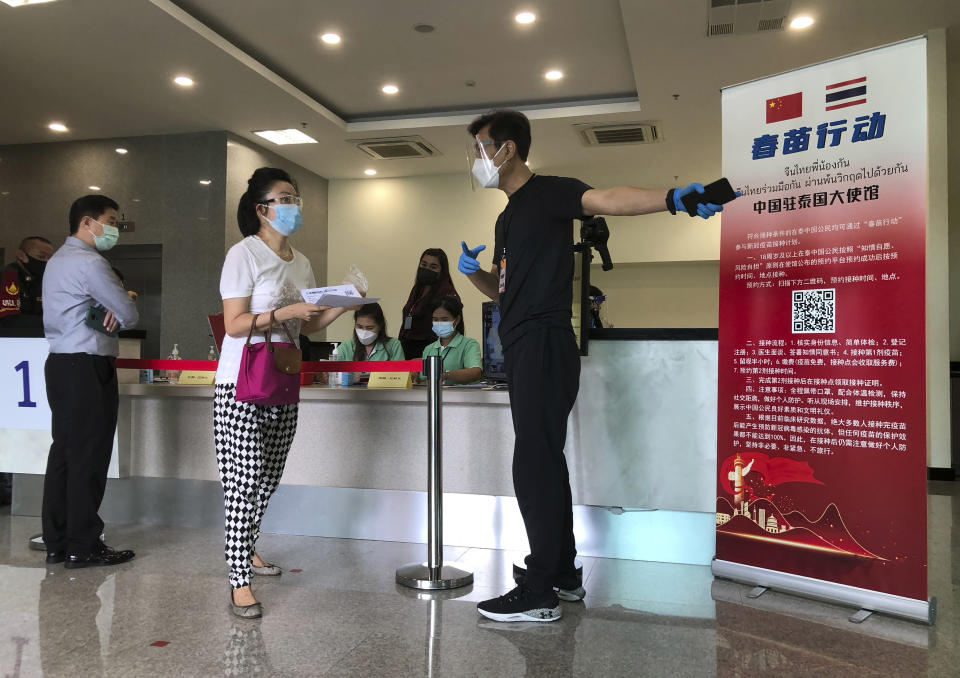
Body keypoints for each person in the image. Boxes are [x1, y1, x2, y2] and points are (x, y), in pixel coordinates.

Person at [458, 109, 731, 623]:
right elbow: (504, 288)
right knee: (545, 460)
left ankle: (538, 590)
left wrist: (671, 199)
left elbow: (608, 198)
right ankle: (561, 575)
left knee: (532, 464)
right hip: (522, 341)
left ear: (507, 149)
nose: (477, 160)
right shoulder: (507, 217)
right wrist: (476, 276)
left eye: (480, 148)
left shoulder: (550, 192)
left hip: (543, 340)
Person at [216, 167, 351, 619]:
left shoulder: (302, 261)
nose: (294, 206)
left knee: (268, 479)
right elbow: (234, 325)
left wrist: (341, 304)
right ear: (261, 209)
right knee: (245, 481)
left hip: (284, 375)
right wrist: (286, 309)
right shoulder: (244, 254)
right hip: (241, 382)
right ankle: (239, 580)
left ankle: (248, 548)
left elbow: (307, 324)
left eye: (296, 199)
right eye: (285, 198)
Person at [41, 194, 139, 569]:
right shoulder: (91, 262)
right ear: (88, 222)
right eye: (110, 220)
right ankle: (83, 545)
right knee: (89, 457)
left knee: (64, 454)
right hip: (88, 366)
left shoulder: (56, 262)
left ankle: (58, 541)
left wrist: (114, 302)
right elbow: (128, 314)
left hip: (61, 365)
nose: (114, 228)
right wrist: (124, 297)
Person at [398, 248, 460, 359]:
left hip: (432, 351)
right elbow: (409, 315)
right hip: (407, 346)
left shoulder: (447, 293)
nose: (427, 269)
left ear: (442, 270)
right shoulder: (417, 289)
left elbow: (453, 328)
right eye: (424, 264)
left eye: (433, 267)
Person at [415, 296, 482, 385]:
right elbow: (423, 377)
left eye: (444, 319)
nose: (439, 323)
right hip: (433, 396)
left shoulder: (469, 344)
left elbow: (476, 372)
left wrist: (446, 375)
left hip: (460, 397)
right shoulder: (429, 348)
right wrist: (415, 376)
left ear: (456, 320)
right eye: (435, 320)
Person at [333, 302, 404, 382]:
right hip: (352, 393)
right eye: (359, 327)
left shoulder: (393, 345)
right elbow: (332, 373)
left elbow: (400, 377)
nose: (364, 332)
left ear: (380, 326)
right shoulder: (346, 347)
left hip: (384, 393)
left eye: (369, 328)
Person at [0, 235, 54, 328]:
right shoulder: (9, 276)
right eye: (41, 256)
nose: (47, 261)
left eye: (50, 258)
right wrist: (55, 323)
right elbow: (8, 320)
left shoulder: (46, 279)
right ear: (21, 255)